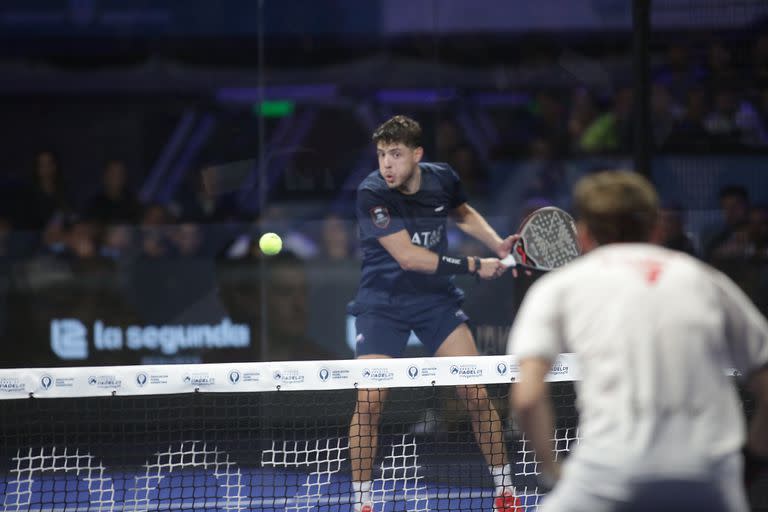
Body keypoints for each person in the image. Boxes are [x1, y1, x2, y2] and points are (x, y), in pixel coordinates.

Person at [507, 170, 768, 512]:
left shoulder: (559, 288)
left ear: (583, 235)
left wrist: (553, 473)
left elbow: (526, 398)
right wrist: (753, 460)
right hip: (709, 475)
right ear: (657, 228)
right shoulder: (707, 280)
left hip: (608, 473)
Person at [347, 115, 522, 512]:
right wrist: (475, 266)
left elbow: (461, 212)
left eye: (395, 154)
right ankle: (362, 503)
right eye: (380, 155)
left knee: (476, 396)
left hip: (435, 304)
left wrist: (496, 244)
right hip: (382, 305)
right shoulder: (372, 193)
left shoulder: (442, 178)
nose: (386, 164)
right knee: (370, 401)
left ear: (417, 154)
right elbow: (409, 257)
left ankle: (506, 492)